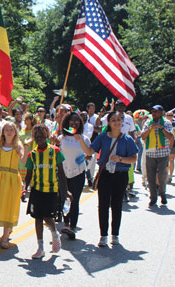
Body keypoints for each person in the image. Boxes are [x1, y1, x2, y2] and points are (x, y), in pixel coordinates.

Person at [77, 111, 138, 246]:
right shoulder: (102, 137)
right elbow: (89, 151)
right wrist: (80, 140)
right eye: (113, 120)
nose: (117, 122)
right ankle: (103, 235)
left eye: (119, 119)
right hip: (105, 174)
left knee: (117, 205)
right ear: (109, 123)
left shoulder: (127, 139)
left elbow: (134, 158)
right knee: (103, 205)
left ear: (122, 122)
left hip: (120, 175)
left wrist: (120, 159)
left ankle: (115, 235)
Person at [24, 124, 71, 259]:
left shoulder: (55, 151)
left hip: (51, 190)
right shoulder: (32, 155)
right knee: (37, 217)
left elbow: (62, 174)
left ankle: (54, 234)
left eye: (42, 136)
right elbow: (29, 174)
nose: (39, 139)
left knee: (48, 217)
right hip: (36, 190)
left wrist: (66, 192)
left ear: (47, 137)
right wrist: (24, 189)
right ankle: (40, 247)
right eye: (37, 137)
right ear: (33, 138)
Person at [0, 121, 25, 248]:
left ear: (15, 132)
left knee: (10, 205)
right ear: (3, 132)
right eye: (6, 129)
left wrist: (26, 148)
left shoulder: (18, 145)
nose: (9, 131)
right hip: (0, 177)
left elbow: (23, 161)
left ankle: (5, 237)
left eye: (11, 129)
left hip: (13, 177)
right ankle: (8, 228)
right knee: (1, 203)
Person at [57, 112, 90, 239]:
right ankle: (66, 223)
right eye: (72, 121)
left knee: (75, 200)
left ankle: (73, 227)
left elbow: (89, 154)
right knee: (65, 198)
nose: (74, 123)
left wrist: (86, 157)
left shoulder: (83, 138)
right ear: (67, 123)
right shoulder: (61, 139)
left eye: (77, 121)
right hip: (64, 173)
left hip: (78, 173)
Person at [141, 105, 173, 206]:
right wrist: (150, 128)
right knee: (151, 177)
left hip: (163, 153)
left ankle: (162, 193)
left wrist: (161, 128)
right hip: (150, 153)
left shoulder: (167, 123)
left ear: (161, 113)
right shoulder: (148, 122)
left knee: (162, 175)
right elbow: (143, 136)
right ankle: (153, 197)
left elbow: (170, 136)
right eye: (152, 111)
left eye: (156, 111)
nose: (153, 113)